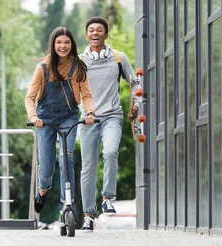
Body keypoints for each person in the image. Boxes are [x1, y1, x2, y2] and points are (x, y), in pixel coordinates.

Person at [78, 17, 142, 232]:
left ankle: (108, 198)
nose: (95, 33)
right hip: (87, 119)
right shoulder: (79, 62)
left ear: (106, 35)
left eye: (99, 30)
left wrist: (136, 105)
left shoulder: (117, 58)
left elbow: (135, 83)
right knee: (88, 167)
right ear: (87, 35)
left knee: (111, 152)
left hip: (113, 115)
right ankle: (88, 215)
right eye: (91, 30)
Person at [24, 27, 96, 219]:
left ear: (71, 44)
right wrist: (34, 118)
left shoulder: (78, 66)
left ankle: (67, 202)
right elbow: (29, 98)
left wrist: (89, 112)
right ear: (53, 44)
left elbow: (87, 95)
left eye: (66, 42)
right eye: (59, 42)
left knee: (67, 158)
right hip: (45, 119)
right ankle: (42, 191)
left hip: (68, 116)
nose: (63, 46)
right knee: (46, 168)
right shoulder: (43, 67)